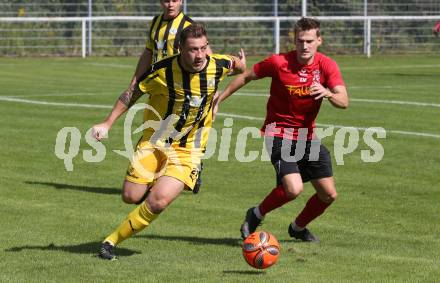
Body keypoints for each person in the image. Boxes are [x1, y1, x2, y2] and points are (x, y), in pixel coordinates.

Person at [92, 23, 246, 260]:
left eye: (204, 48)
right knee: (131, 196)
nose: (200, 55)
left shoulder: (217, 65)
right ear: (180, 49)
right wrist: (107, 123)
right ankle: (155, 180)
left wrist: (220, 95)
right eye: (193, 49)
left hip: (189, 148)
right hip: (155, 141)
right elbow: (132, 93)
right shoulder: (162, 70)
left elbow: (239, 66)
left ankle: (111, 241)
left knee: (158, 201)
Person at [214, 17, 348, 242]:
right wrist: (219, 99)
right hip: (278, 133)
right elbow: (247, 75)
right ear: (294, 40)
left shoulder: (327, 65)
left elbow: (344, 101)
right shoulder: (279, 63)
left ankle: (297, 228)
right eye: (299, 41)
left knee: (328, 194)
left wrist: (328, 94)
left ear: (319, 41)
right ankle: (256, 214)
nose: (304, 46)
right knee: (293, 189)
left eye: (309, 41)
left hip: (306, 137)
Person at [128, 0, 209, 195]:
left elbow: (206, 56)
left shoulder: (188, 26)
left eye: (175, 0)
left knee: (179, 132)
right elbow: (149, 53)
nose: (170, 4)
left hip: (184, 89)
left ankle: (191, 166)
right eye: (166, 0)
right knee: (154, 128)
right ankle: (155, 173)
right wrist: (135, 80)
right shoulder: (156, 22)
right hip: (160, 86)